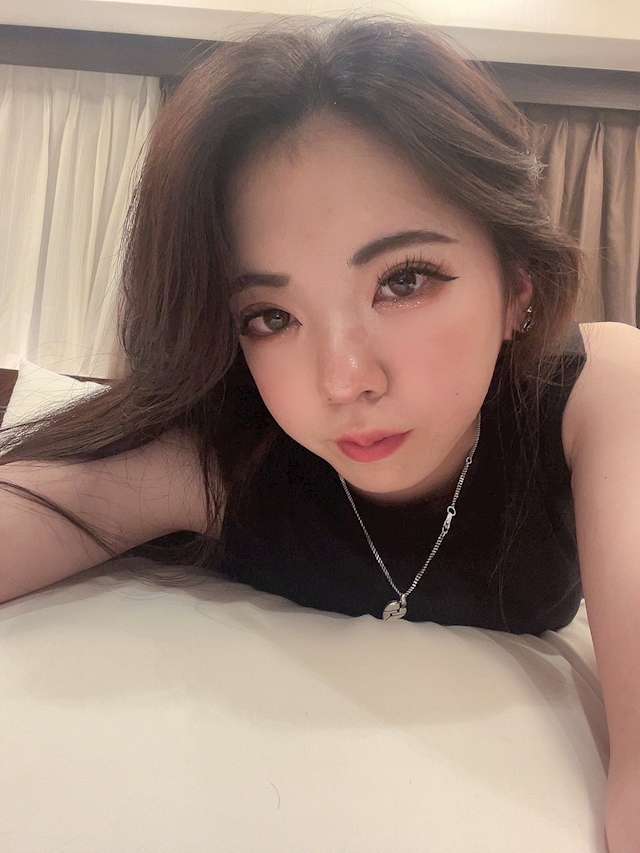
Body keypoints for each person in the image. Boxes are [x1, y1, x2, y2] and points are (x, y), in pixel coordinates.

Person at [1, 16, 639, 844]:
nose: (343, 381)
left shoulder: (597, 396)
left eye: (404, 280)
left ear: (518, 283)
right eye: (271, 315)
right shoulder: (222, 458)